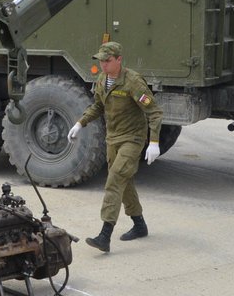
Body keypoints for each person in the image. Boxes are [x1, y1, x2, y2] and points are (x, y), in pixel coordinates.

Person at [67, 42, 163, 252]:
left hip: (132, 138)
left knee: (115, 180)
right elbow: (98, 106)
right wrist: (80, 123)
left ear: (119, 60)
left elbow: (154, 112)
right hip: (113, 139)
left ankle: (105, 235)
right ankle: (139, 224)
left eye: (108, 60)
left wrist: (154, 142)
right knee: (124, 181)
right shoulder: (103, 79)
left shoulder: (133, 82)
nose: (103, 64)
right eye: (101, 60)